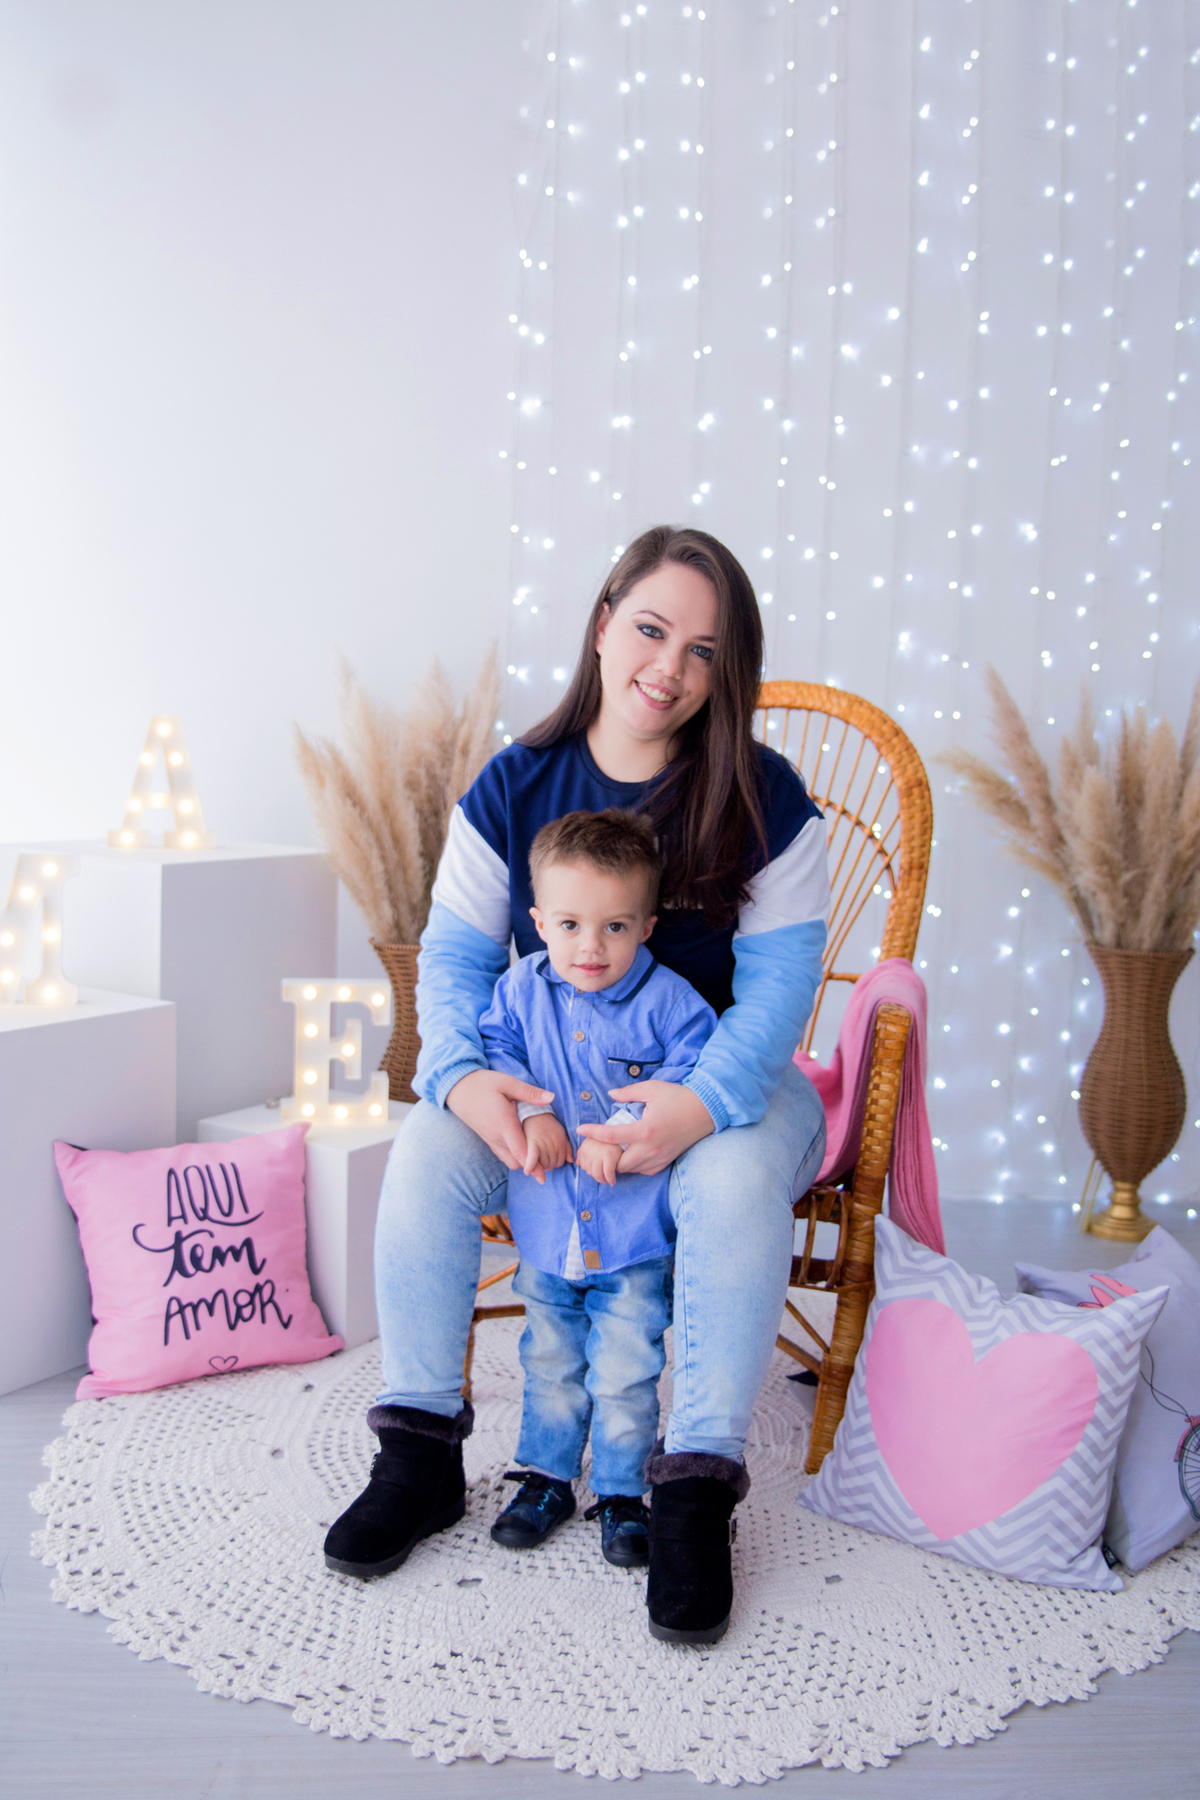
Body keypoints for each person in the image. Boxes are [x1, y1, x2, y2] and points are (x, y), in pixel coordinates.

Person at [324, 524, 830, 1646]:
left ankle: (692, 1492)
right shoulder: (513, 783)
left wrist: (698, 1106)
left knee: (732, 1179)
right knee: (427, 1146)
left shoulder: (765, 797)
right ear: (603, 624)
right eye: (650, 629)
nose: (669, 667)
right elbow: (454, 961)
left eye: (705, 651)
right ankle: (418, 1454)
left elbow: (777, 996)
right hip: (548, 1080)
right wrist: (463, 1078)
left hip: (728, 1086)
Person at [479, 809, 716, 1568]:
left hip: (632, 1234)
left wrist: (625, 1127)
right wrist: (530, 1111)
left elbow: (693, 1067)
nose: (591, 947)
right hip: (549, 1226)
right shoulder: (520, 990)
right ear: (539, 922)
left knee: (625, 1371)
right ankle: (546, 1479)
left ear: (646, 926)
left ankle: (621, 1492)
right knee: (550, 1360)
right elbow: (494, 1048)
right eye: (571, 925)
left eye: (615, 927)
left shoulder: (671, 1002)